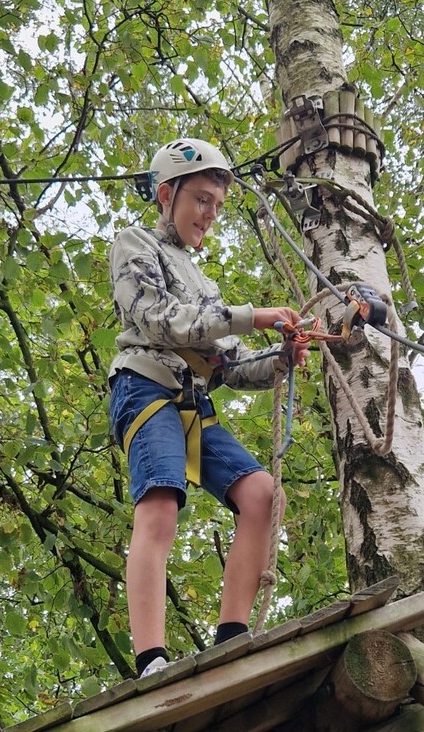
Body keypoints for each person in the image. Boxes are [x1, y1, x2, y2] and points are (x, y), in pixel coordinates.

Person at [108, 138, 309, 678]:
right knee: (161, 507)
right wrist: (251, 315)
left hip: (192, 401)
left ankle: (231, 638)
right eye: (201, 200)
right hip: (146, 387)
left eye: (217, 206)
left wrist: (282, 357)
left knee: (261, 493)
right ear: (166, 194)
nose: (209, 215)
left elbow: (234, 366)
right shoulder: (135, 245)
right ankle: (151, 658)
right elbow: (158, 320)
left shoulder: (203, 281)